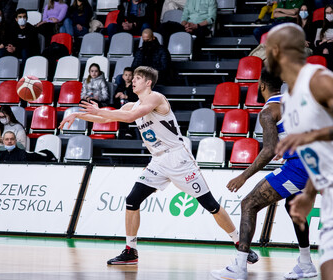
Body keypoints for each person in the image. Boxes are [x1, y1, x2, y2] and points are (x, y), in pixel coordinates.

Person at [59, 66, 259, 266]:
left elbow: (128, 118)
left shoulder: (156, 98)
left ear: (147, 82)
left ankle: (241, 243)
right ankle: (131, 250)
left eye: (137, 78)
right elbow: (107, 117)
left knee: (210, 204)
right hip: (158, 161)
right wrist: (78, 115)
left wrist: (98, 111)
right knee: (132, 200)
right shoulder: (132, 105)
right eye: (133, 78)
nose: (133, 81)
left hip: (178, 159)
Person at [210, 68, 317, 280]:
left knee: (248, 204)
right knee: (292, 206)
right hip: (316, 162)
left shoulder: (268, 111)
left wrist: (243, 176)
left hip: (299, 168)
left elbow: (268, 150)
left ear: (261, 86)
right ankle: (305, 264)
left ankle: (239, 266)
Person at [265, 22, 333, 280]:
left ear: (276, 50)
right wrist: (308, 193)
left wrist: (310, 135)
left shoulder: (319, 80)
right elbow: (322, 157)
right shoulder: (289, 100)